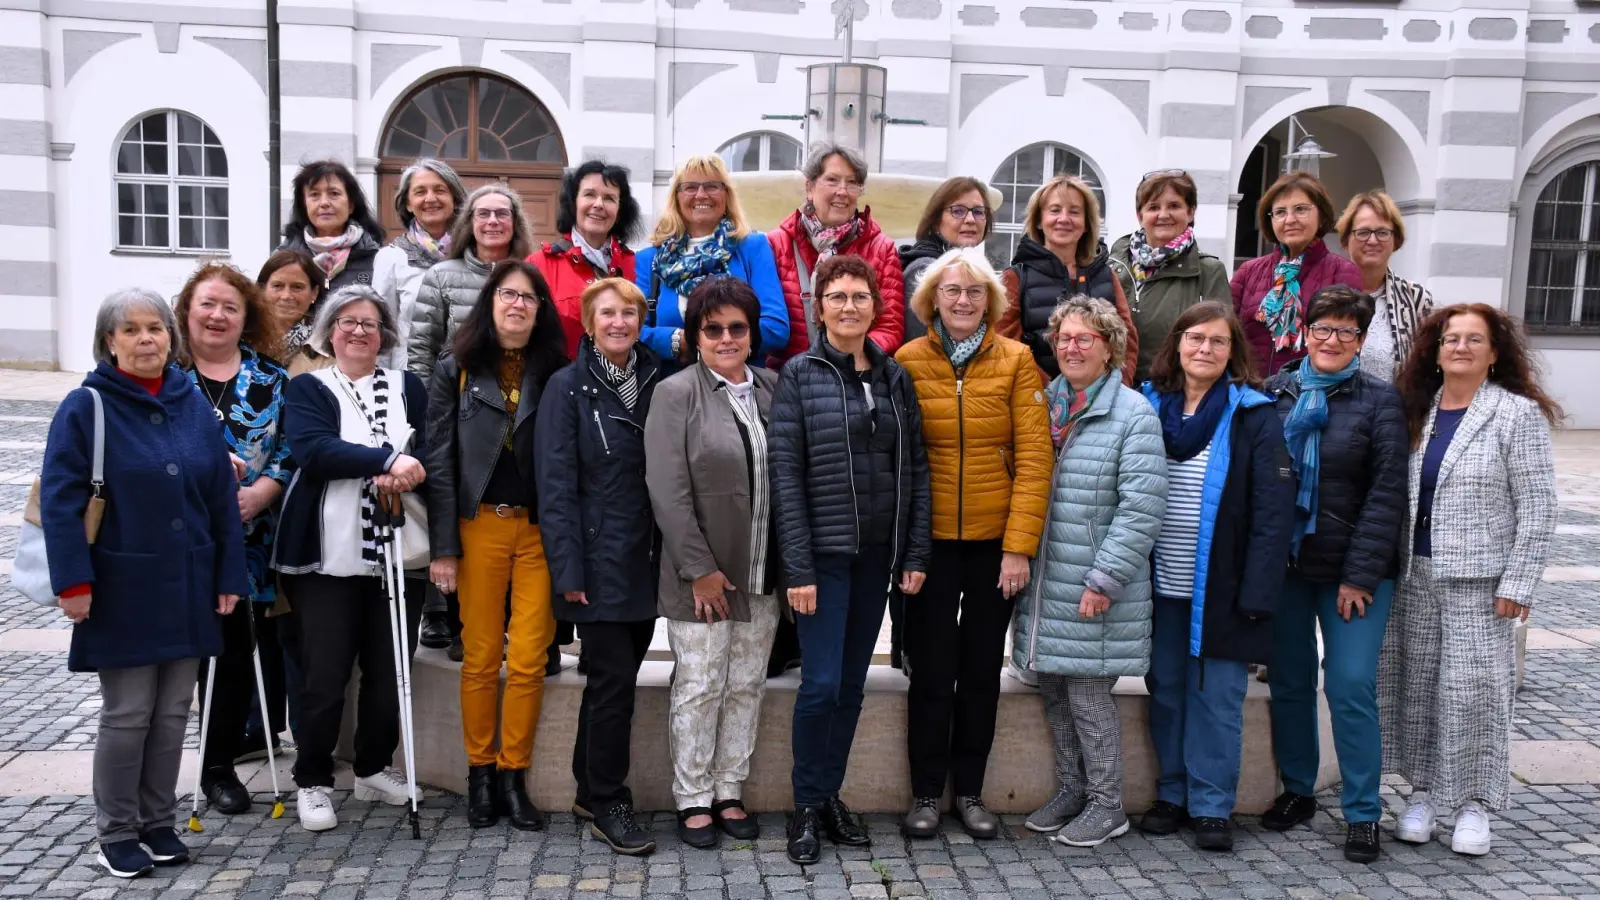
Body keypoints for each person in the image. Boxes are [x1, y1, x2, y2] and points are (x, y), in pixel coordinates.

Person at [42, 289, 247, 878]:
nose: (145, 339)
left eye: (155, 328)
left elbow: (218, 501)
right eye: (130, 330)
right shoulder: (87, 407)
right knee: (129, 711)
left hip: (188, 581)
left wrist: (228, 573)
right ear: (110, 341)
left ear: (170, 337)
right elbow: (61, 502)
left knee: (175, 711)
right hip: (121, 583)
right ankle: (118, 830)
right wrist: (73, 583)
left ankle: (159, 822)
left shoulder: (191, 403)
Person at [1381, 304, 1560, 857]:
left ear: (1494, 352)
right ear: (1435, 351)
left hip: (1482, 583)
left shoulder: (1514, 414)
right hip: (1416, 573)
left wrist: (1519, 582)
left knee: (1475, 693)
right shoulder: (1418, 411)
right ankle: (1423, 794)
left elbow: (1539, 506)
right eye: (1450, 339)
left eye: (1473, 339)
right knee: (1418, 691)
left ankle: (1475, 805)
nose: (1460, 347)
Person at [769, 254, 931, 866]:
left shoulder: (894, 377)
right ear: (819, 305)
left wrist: (914, 550)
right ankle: (806, 806)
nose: (848, 306)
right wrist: (799, 569)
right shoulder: (800, 376)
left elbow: (914, 468)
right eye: (836, 296)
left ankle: (829, 794)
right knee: (822, 684)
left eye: (859, 296)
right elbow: (786, 477)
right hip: (824, 559)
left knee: (853, 688)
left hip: (876, 559)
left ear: (874, 305)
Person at [894, 248, 1052, 840]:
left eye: (975, 292)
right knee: (931, 670)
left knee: (982, 670)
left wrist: (1018, 547)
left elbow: (1036, 459)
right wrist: (909, 551)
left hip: (994, 545)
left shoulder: (1016, 360)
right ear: (932, 299)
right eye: (953, 290)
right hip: (930, 543)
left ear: (992, 301)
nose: (963, 301)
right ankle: (926, 793)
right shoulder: (907, 361)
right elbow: (903, 462)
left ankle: (972, 791)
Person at [1137, 301, 1294, 852]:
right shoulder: (1149, 405)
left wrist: (1258, 592)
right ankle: (1172, 794)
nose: (1205, 349)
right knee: (1168, 692)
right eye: (1196, 338)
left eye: (1218, 342)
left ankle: (1210, 805)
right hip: (1158, 585)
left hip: (1222, 588)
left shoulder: (1253, 414)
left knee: (1219, 698)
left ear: (1233, 353)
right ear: (1177, 344)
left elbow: (1274, 513)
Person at [1011, 295, 1167, 847]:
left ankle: (1108, 803)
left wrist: (1105, 579)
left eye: (1085, 339)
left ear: (1110, 348)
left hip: (1093, 583)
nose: (1071, 348)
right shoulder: (1043, 403)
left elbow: (1142, 506)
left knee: (1089, 696)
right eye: (1064, 338)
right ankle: (1074, 790)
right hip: (1047, 581)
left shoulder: (1133, 413)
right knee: (1054, 688)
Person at [273, 286, 430, 833]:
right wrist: (388, 458)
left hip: (398, 548)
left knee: (390, 672)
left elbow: (429, 448)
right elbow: (314, 451)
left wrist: (411, 467)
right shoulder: (310, 387)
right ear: (328, 332)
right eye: (347, 322)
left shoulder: (408, 386)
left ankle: (372, 767)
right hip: (328, 555)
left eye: (370, 323)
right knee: (325, 672)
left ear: (384, 334)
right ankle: (313, 779)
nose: (359, 331)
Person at [1262, 286, 1407, 863]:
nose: (1331, 340)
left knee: (1349, 684)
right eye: (1322, 328)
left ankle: (1364, 811)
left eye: (1346, 331)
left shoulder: (1380, 401)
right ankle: (1299, 790)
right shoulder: (1277, 392)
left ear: (1361, 340)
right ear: (1305, 330)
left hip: (1355, 570)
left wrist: (1360, 575)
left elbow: (1387, 491)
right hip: (1289, 567)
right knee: (1291, 680)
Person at [425, 260, 568, 831]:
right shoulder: (455, 369)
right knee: (481, 656)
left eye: (529, 298)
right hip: (477, 526)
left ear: (540, 310)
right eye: (507, 295)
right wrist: (443, 547)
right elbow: (439, 461)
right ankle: (479, 775)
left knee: (531, 658)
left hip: (538, 531)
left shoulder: (556, 370)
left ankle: (514, 776)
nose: (517, 305)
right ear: (490, 302)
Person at [644, 277, 781, 850]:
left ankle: (729, 788)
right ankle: (693, 795)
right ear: (696, 335)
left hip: (762, 573)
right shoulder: (676, 393)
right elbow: (666, 489)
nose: (726, 338)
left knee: (745, 685)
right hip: (699, 575)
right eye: (713, 328)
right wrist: (698, 567)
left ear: (752, 334)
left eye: (737, 328)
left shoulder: (774, 387)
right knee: (700, 684)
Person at [535, 278, 664, 856]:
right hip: (599, 556)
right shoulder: (566, 388)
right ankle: (609, 798)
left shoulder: (659, 378)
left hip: (650, 554)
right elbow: (556, 487)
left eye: (628, 313)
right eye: (607, 313)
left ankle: (589, 788)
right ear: (588, 324)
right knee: (613, 684)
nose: (618, 322)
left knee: (613, 680)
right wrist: (568, 570)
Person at [172, 263, 295, 817]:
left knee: (232, 655)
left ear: (246, 317)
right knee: (173, 658)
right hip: (171, 541)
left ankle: (217, 768)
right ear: (187, 311)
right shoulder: (162, 375)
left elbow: (293, 449)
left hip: (246, 540)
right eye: (208, 304)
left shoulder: (271, 379)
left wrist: (265, 491)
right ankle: (151, 766)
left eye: (230, 307)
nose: (218, 315)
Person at [634, 155, 787, 367]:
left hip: (739, 385)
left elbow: (776, 328)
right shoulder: (650, 260)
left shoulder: (752, 247)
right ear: (676, 197)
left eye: (712, 186)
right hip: (672, 390)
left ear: (726, 195)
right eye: (690, 187)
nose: (701, 195)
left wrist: (715, 340)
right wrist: (677, 340)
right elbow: (632, 330)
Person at [767, 144, 904, 366]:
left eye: (852, 183)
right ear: (810, 187)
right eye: (832, 180)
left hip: (853, 381)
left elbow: (890, 326)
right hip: (788, 383)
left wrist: (846, 359)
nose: (842, 191)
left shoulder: (882, 249)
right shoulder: (776, 245)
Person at [998, 174, 1137, 386]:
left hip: (1103, 405)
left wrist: (1116, 390)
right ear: (1039, 220)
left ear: (1087, 223)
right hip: (1037, 403)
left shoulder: (1107, 275)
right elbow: (1006, 345)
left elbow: (1126, 342)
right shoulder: (1016, 277)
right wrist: (1052, 394)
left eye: (1074, 212)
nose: (1064, 219)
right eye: (1054, 210)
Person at [1230, 172, 1362, 377]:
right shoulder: (1248, 272)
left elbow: (1346, 342)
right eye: (1280, 212)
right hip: (1252, 394)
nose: (1290, 219)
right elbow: (1228, 335)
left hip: (1311, 394)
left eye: (1301, 210)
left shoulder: (1342, 272)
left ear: (1322, 216)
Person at [1108, 170, 1230, 383]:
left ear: (1190, 213)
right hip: (1116, 390)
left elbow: (1221, 340)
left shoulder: (1208, 271)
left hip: (1174, 391)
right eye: (1154, 207)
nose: (1163, 215)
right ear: (1140, 216)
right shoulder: (1112, 265)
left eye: (1174, 206)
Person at [409, 184, 536, 380]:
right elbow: (422, 351)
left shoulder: (533, 277)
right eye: (483, 214)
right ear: (470, 222)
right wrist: (428, 406)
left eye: (502, 214)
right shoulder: (440, 276)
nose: (493, 221)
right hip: (457, 398)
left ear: (515, 222)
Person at [533, 159, 643, 358]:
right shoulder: (539, 265)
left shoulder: (636, 265)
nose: (598, 204)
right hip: (558, 384)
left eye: (609, 198)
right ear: (573, 203)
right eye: (589, 195)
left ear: (619, 212)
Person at [373, 158, 467, 369]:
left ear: (455, 198)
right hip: (411, 377)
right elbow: (381, 329)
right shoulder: (391, 258)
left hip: (465, 379)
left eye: (440, 190)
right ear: (407, 203)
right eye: (420, 191)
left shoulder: (472, 253)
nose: (430, 198)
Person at [1335, 190, 1435, 382]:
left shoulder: (1415, 298)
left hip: (1394, 409)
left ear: (1395, 240)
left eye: (1382, 232)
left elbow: (1427, 368)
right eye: (1363, 232)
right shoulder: (1326, 293)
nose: (1373, 241)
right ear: (1346, 239)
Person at [898, 177, 994, 342]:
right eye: (958, 211)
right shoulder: (924, 270)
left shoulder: (964, 267)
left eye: (978, 212)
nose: (970, 220)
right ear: (936, 221)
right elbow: (919, 353)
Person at [279, 160, 386, 294]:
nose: (324, 203)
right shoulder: (283, 257)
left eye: (334, 194)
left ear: (351, 205)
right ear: (304, 205)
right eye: (314, 195)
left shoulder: (376, 258)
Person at [257, 248, 326, 370]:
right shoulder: (241, 339)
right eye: (277, 286)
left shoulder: (328, 347)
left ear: (314, 293)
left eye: (297, 287)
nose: (286, 296)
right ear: (262, 289)